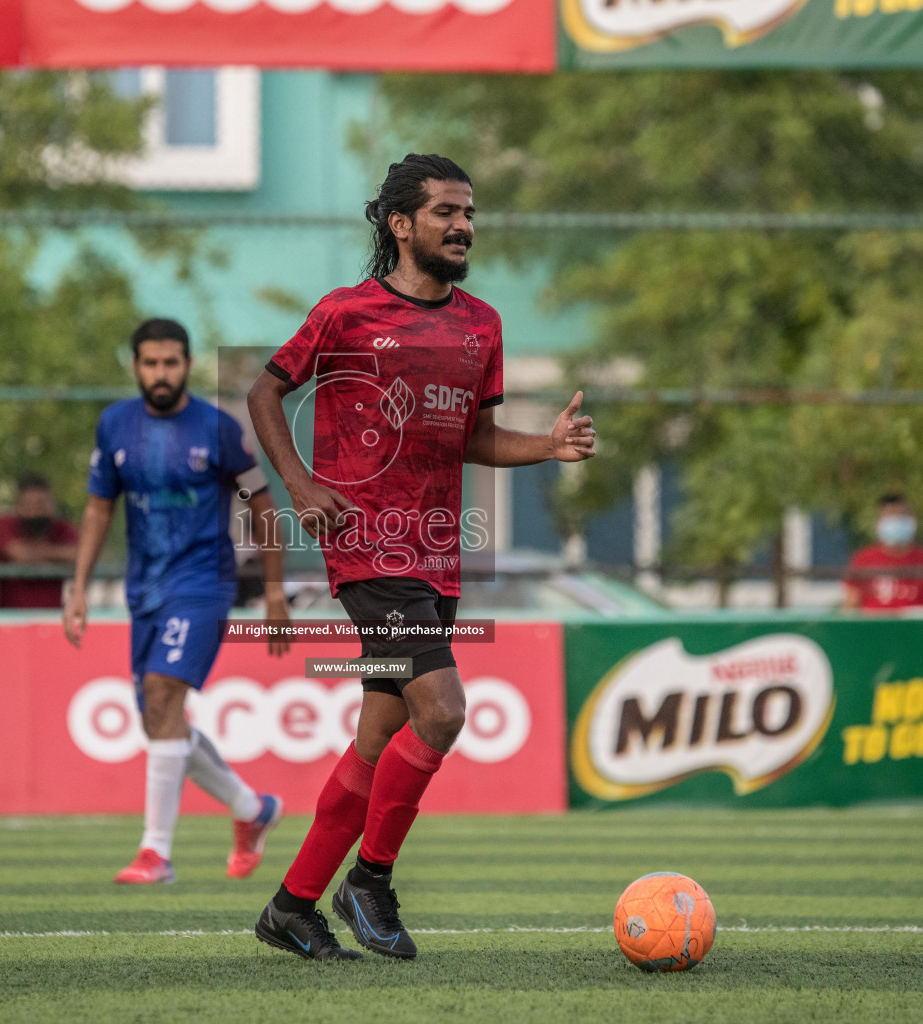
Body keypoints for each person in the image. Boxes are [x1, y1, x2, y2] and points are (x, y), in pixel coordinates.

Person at [244, 154, 596, 961]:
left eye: (468, 212)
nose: (463, 225)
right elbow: (264, 393)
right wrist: (299, 488)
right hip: (369, 548)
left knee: (378, 737)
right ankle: (369, 879)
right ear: (401, 225)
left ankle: (293, 906)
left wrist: (546, 445)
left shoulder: (482, 326)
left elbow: (474, 437)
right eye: (444, 212)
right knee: (443, 711)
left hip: (438, 556)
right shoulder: (346, 313)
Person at [63, 317, 294, 884]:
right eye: (150, 363)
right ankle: (251, 809)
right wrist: (78, 588)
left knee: (165, 694)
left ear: (187, 365)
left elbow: (263, 508)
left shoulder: (217, 430)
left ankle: (156, 852)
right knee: (156, 718)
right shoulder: (114, 425)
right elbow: (98, 509)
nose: (160, 373)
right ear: (136, 366)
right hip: (146, 589)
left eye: (170, 362)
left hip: (202, 585)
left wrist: (272, 593)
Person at [0, 472, 79, 608]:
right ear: (18, 505)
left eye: (40, 504)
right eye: (28, 504)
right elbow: (19, 553)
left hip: (52, 618)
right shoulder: (1, 524)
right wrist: (56, 558)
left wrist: (34, 555)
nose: (34, 511)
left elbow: (80, 554)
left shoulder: (63, 528)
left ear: (51, 504)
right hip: (8, 618)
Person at [843, 493, 923, 612]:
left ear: (912, 520)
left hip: (916, 629)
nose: (896, 521)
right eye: (890, 516)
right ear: (879, 522)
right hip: (874, 629)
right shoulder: (863, 561)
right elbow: (850, 609)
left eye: (901, 516)